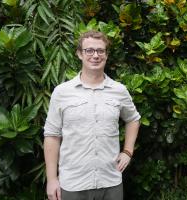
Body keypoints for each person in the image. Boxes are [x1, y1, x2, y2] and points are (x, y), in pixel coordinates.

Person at [43, 30, 141, 200]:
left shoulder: (119, 90)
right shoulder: (62, 92)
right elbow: (52, 136)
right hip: (73, 184)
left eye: (100, 50)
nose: (95, 55)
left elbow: (133, 119)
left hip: (110, 182)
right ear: (80, 54)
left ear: (106, 55)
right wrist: (52, 179)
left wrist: (127, 151)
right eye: (89, 50)